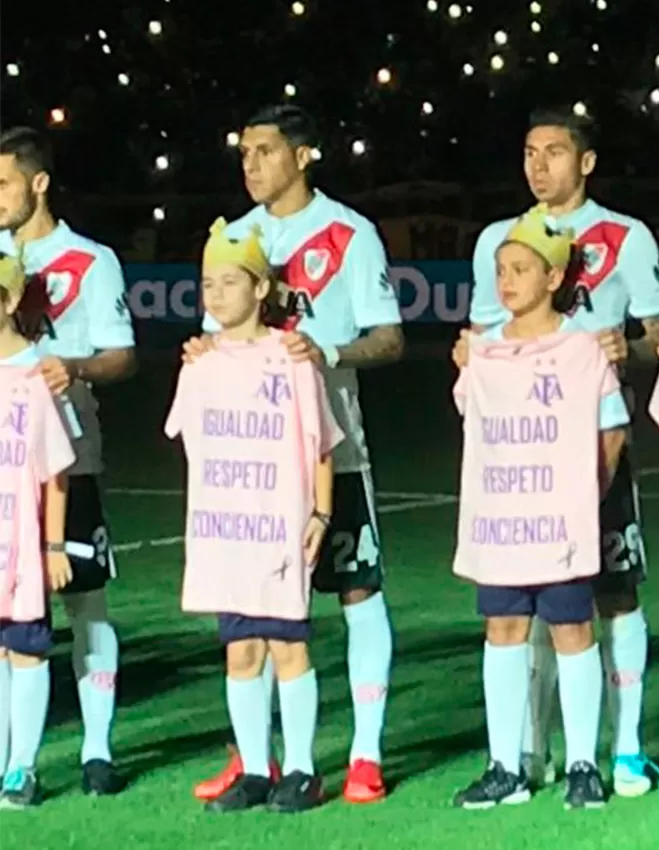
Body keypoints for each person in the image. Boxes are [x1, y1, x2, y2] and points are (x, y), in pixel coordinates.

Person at [186, 105, 404, 805]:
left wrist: (329, 351)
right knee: (253, 620)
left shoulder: (348, 234)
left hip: (331, 458)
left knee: (358, 593)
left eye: (265, 151)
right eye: (244, 152)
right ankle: (255, 759)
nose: (250, 164)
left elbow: (390, 339)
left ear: (304, 155)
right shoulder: (235, 239)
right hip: (253, 482)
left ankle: (365, 752)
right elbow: (217, 342)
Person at [465, 107, 659, 797]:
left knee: (611, 595)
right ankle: (527, 754)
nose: (538, 165)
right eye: (529, 152)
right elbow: (483, 340)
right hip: (520, 466)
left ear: (585, 162)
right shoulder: (500, 240)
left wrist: (627, 350)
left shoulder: (627, 237)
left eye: (554, 152)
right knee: (520, 610)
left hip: (593, 442)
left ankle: (625, 750)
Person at [168, 219, 341, 813]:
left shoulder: (291, 359)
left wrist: (320, 510)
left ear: (261, 288)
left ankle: (301, 769)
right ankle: (256, 769)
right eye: (206, 285)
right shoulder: (200, 362)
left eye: (228, 283)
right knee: (240, 651)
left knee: (287, 648)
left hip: (277, 529)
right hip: (226, 534)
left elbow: (321, 443)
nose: (214, 296)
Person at [451, 205, 619, 810]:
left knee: (573, 630)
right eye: (501, 269)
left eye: (521, 268)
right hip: (503, 523)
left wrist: (580, 496)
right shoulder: (483, 350)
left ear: (553, 277)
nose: (508, 281)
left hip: (559, 524)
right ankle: (505, 764)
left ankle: (581, 763)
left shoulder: (583, 347)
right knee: (502, 630)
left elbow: (612, 430)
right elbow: (477, 418)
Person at [0, 126, 135, 796]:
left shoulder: (90, 260)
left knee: (86, 601)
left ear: (39, 182)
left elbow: (122, 355)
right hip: (2, 474)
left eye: (3, 183)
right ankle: (12, 757)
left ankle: (97, 749)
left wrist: (71, 367)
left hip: (68, 460)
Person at [0, 250, 77, 809]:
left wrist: (52, 544)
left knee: (24, 650)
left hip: (19, 545)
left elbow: (57, 470)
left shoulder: (35, 374)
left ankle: (22, 767)